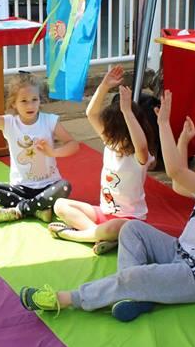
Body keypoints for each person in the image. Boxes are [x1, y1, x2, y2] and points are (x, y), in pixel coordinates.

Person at [19, 90, 195, 322]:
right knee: (131, 230)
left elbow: (175, 171)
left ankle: (65, 299)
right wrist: (182, 142)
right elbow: (179, 185)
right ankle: (136, 294)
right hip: (180, 252)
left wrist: (163, 123)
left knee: (137, 275)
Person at [49, 66, 156, 255]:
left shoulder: (140, 156)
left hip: (130, 221)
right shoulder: (110, 143)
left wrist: (127, 112)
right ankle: (100, 236)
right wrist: (105, 85)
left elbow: (140, 145)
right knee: (60, 205)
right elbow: (91, 114)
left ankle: (77, 235)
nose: (109, 136)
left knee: (113, 228)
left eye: (116, 134)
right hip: (102, 213)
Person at [0, 66, 78, 224]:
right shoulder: (9, 123)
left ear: (40, 100)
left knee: (64, 186)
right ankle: (36, 209)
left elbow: (73, 144)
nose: (30, 106)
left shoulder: (49, 121)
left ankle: (20, 209)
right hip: (19, 189)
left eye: (34, 100)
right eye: (24, 101)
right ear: (14, 104)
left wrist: (53, 152)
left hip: (49, 185)